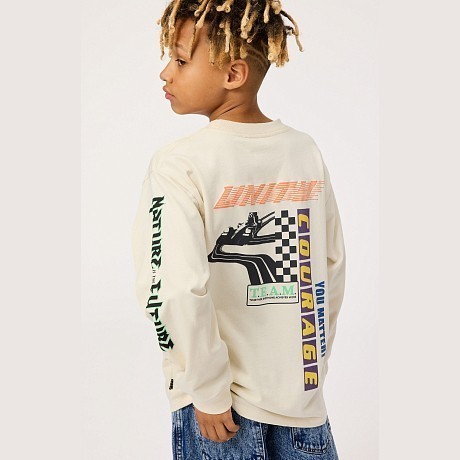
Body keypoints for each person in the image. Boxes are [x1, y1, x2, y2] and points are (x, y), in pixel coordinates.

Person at [131, 1, 345, 458]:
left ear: (234, 74)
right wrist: (310, 373)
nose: (165, 73)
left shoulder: (180, 164)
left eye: (181, 61)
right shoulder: (303, 151)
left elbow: (170, 289)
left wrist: (206, 390)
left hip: (219, 416)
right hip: (304, 408)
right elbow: (329, 268)